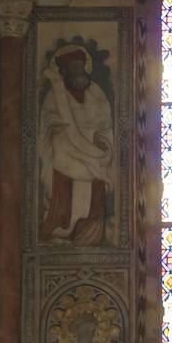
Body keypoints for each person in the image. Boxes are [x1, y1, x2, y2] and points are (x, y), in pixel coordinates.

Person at [39, 44, 114, 245]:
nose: (78, 71)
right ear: (63, 71)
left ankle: (89, 231)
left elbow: (106, 125)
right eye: (73, 67)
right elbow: (48, 121)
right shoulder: (55, 95)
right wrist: (56, 130)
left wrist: (102, 141)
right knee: (61, 160)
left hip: (92, 152)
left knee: (96, 174)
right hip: (66, 152)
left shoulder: (96, 92)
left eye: (80, 66)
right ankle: (61, 227)